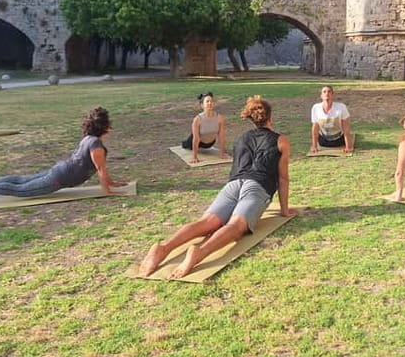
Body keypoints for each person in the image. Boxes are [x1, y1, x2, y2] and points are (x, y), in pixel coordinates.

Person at [139, 96, 296, 279]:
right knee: (236, 225)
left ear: (252, 118)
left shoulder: (241, 139)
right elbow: (283, 178)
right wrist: (284, 210)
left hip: (233, 185)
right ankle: (200, 252)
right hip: (257, 186)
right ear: (270, 117)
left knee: (207, 222)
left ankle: (164, 248)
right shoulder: (281, 141)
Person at [0, 107, 126, 204]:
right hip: (60, 178)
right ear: (105, 127)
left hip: (60, 170)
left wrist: (112, 183)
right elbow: (101, 170)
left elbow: (100, 169)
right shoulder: (96, 145)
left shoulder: (89, 139)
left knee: (22, 180)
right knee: (22, 190)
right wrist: (107, 191)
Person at [181, 91, 228, 163]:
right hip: (198, 141)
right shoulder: (197, 119)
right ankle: (184, 143)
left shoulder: (220, 118)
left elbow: (221, 137)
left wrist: (223, 153)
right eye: (207, 101)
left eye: (211, 101)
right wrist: (194, 157)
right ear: (202, 105)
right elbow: (196, 139)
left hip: (210, 143)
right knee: (186, 144)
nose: (210, 103)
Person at [310, 85, 354, 154]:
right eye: (324, 92)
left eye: (329, 92)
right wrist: (314, 146)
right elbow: (315, 129)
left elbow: (346, 128)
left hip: (339, 141)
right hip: (323, 142)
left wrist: (348, 147)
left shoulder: (341, 107)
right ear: (321, 96)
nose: (327, 93)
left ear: (333, 95)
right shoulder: (316, 108)